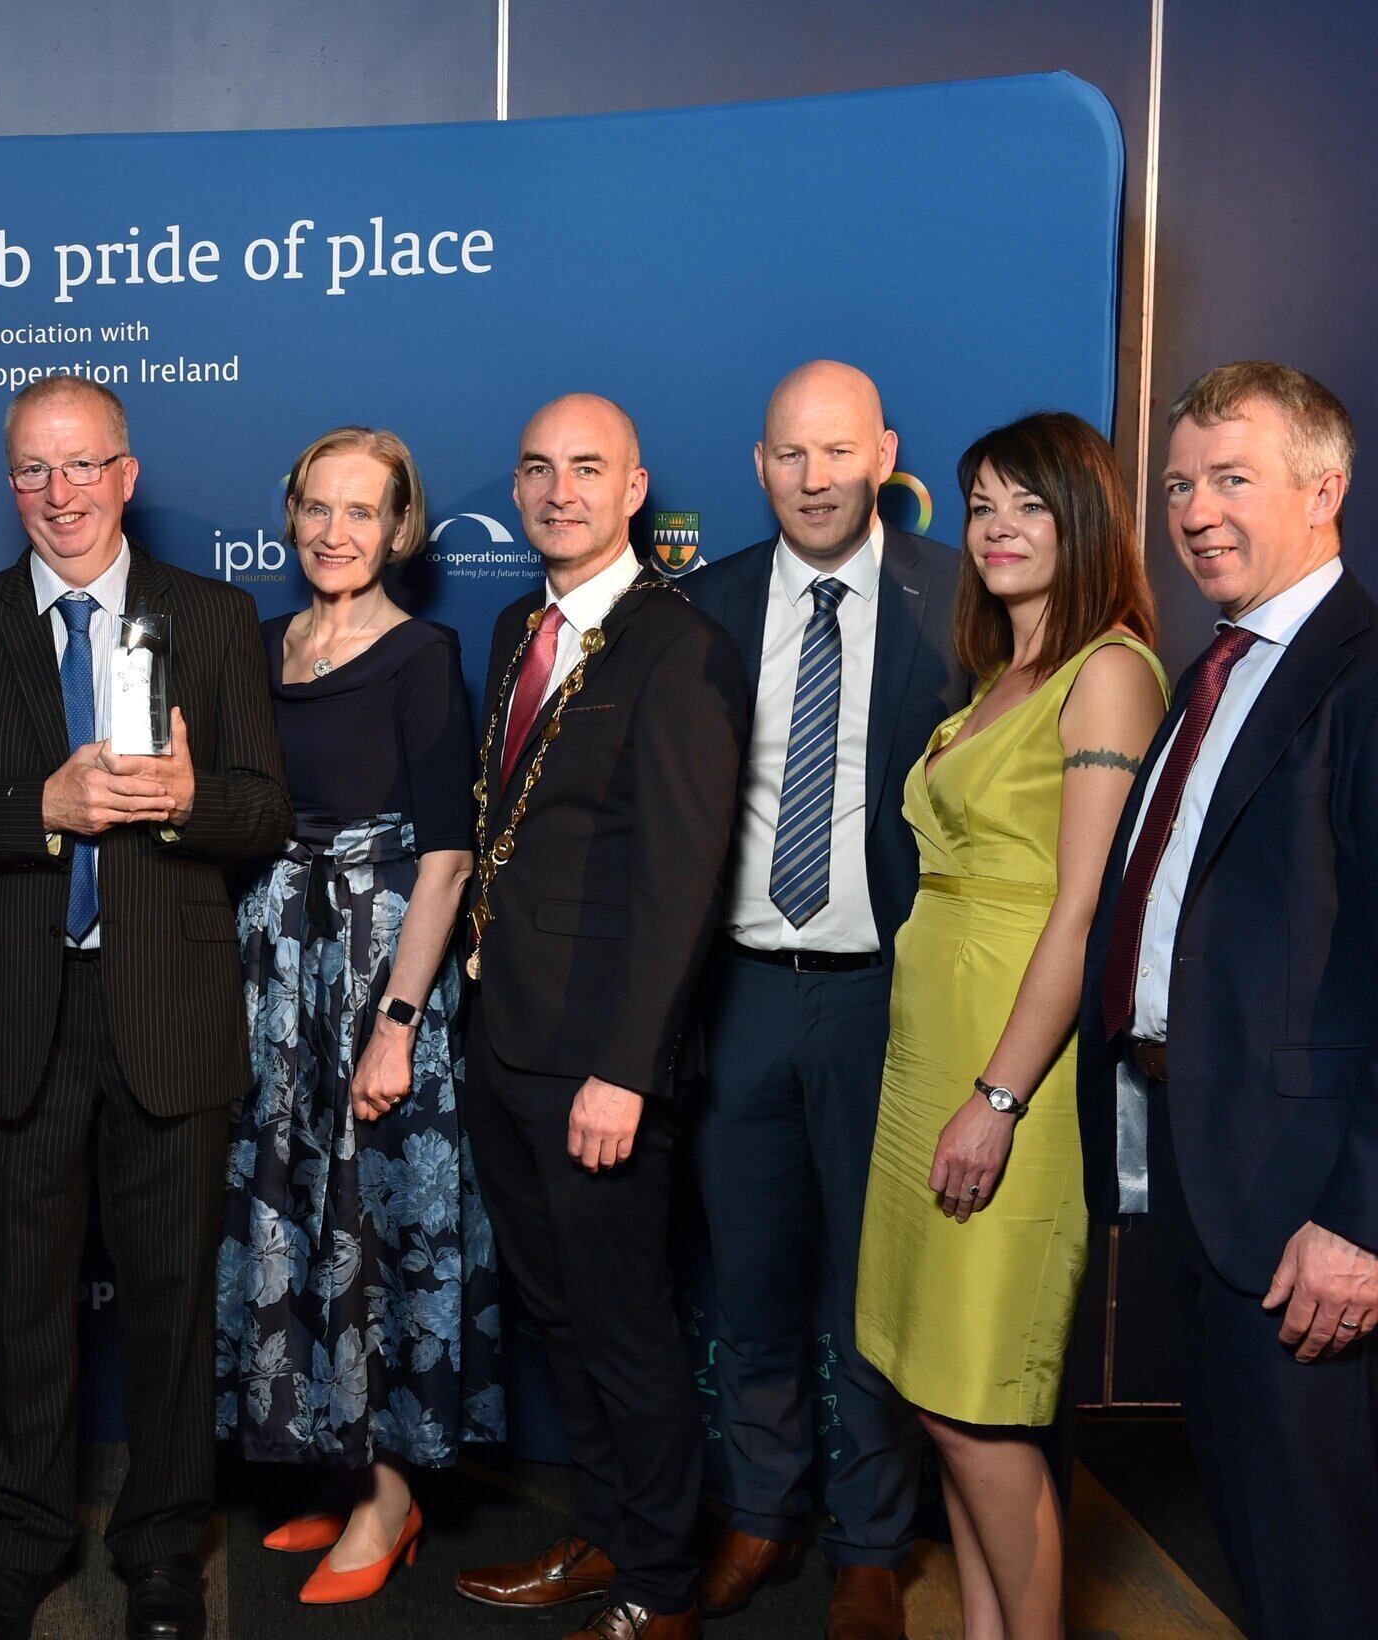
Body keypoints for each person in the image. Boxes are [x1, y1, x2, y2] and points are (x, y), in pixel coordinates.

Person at [0, 377, 291, 1640]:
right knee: (19, 1304)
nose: (58, 494)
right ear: (9, 483)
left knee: (174, 1297)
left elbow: (261, 811)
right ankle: (17, 1539)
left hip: (165, 1009)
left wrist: (183, 799)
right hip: (21, 1013)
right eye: (31, 471)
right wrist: (41, 810)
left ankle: (167, 1547)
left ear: (126, 473)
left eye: (81, 466)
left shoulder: (211, 616)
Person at [1077, 361, 1378, 1638]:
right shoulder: (1214, 668)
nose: (1194, 509)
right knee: (1262, 1537)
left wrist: (1358, 1218)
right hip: (1216, 1186)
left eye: (1230, 477)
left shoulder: (1358, 675)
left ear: (1325, 487)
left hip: (1306, 1207)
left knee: (1319, 1567)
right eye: (1179, 482)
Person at [853, 411, 1163, 1640]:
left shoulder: (1109, 669)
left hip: (1005, 1077)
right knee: (938, 1399)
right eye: (981, 503)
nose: (995, 527)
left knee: (982, 1407)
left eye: (1029, 503)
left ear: (1083, 518)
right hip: (925, 1057)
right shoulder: (1000, 677)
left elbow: (1081, 910)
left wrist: (996, 1097)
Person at [453, 395, 747, 1640]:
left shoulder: (678, 644)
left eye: (587, 469)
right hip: (507, 1041)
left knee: (625, 1328)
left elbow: (681, 879)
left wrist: (624, 1070)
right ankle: (612, 1531)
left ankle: (661, 1589)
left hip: (600, 1067)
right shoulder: (523, 622)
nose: (557, 489)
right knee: (558, 1315)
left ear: (635, 490)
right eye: (536, 468)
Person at [676, 361, 960, 1638]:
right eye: (790, 454)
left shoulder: (958, 599)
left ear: (883, 454)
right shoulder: (708, 604)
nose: (813, 476)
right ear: (758, 463)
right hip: (734, 993)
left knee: (870, 1288)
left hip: (881, 999)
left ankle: (868, 1538)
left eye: (837, 451)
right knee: (747, 1279)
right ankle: (758, 1509)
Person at [213, 426, 498, 1605]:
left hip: (378, 966)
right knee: (296, 1204)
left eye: (361, 511)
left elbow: (445, 859)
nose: (336, 532)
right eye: (317, 508)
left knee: (379, 1219)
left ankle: (392, 1493)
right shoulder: (258, 642)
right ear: (290, 516)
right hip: (274, 968)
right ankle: (337, 1459)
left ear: (400, 528)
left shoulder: (423, 655)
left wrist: (396, 1021)